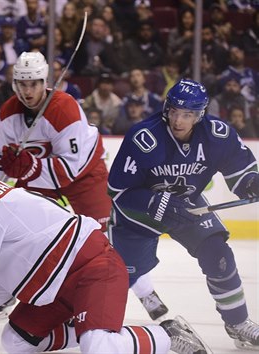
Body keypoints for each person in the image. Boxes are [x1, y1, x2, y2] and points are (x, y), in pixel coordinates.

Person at [0, 152, 210, 354]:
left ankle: (167, 334)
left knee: (98, 347)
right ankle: (83, 328)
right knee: (15, 341)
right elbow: (0, 280)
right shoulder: (5, 203)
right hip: (59, 285)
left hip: (92, 270)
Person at [108, 78, 259, 350]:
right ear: (166, 108)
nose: (178, 120)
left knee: (219, 255)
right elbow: (118, 190)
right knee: (120, 276)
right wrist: (163, 204)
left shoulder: (216, 135)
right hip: (139, 213)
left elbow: (241, 169)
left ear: (199, 115)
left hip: (188, 206)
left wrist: (251, 183)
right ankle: (93, 315)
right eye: (174, 111)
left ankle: (237, 323)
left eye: (187, 114)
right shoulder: (145, 137)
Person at [0, 52, 111, 232]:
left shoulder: (64, 109)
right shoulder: (8, 112)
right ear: (14, 84)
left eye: (33, 84)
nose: (28, 92)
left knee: (101, 234)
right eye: (22, 84)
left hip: (84, 175)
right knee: (25, 230)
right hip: (38, 177)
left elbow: (69, 169)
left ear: (44, 82)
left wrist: (30, 167)